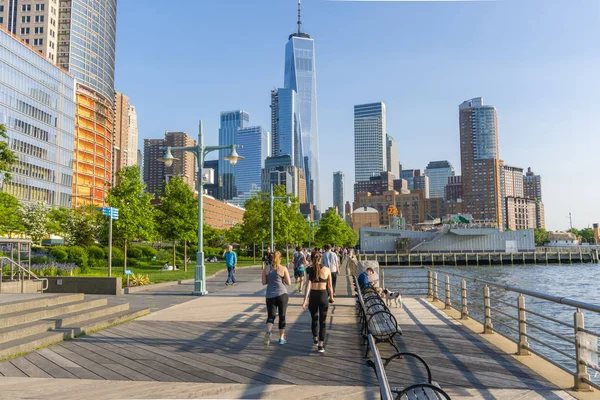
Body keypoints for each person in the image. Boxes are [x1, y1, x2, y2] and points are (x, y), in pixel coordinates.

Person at [302, 252, 334, 353]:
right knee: (323, 321)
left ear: (311, 259)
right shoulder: (327, 270)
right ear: (321, 259)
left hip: (313, 296)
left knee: (314, 319)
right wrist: (331, 297)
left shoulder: (309, 269)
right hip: (323, 296)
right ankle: (321, 345)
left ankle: (315, 338)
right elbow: (330, 286)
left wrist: (305, 300)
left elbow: (307, 285)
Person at [262, 251, 291, 345]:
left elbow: (264, 282)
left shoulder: (266, 269)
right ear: (280, 258)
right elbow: (288, 283)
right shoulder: (283, 268)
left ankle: (268, 332)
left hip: (270, 295)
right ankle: (281, 338)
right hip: (282, 294)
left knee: (271, 316)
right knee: (282, 316)